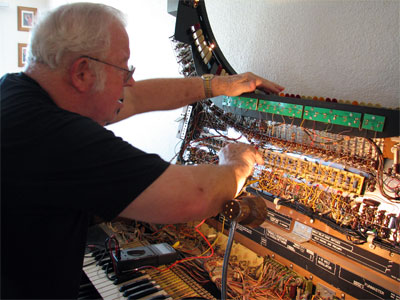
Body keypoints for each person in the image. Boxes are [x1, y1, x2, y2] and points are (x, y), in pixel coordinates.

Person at [1, 2, 284, 298]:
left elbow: (135, 99)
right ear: (82, 73)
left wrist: (218, 85)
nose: (131, 80)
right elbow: (194, 198)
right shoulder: (55, 136)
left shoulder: (17, 95)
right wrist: (238, 163)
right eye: (124, 69)